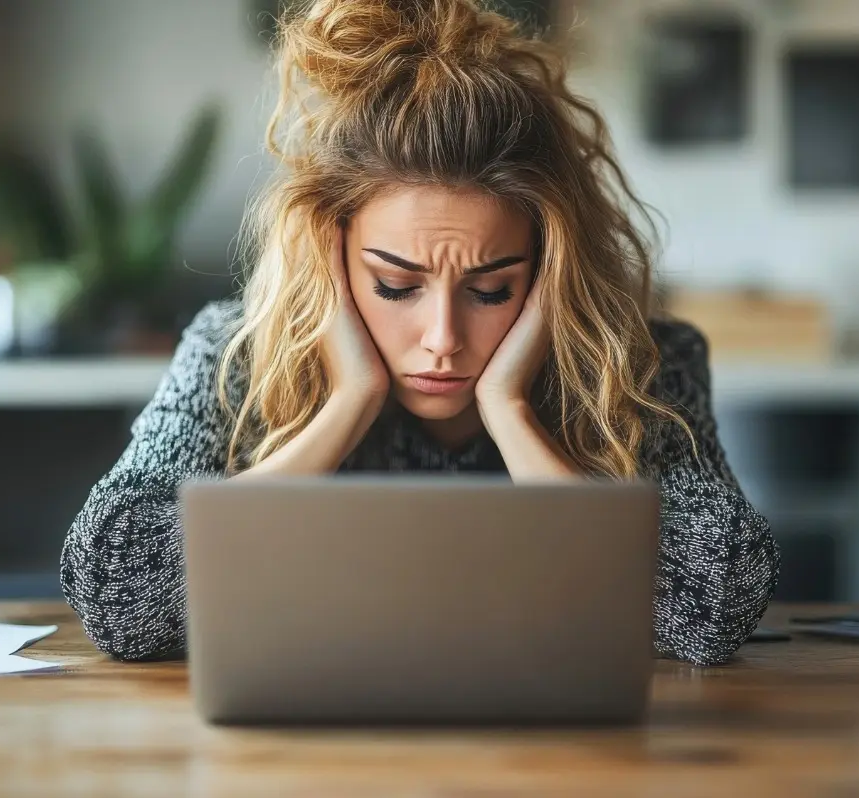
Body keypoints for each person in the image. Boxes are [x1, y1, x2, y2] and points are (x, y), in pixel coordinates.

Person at [61, 0, 780, 666]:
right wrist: (346, 406)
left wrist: (513, 414)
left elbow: (718, 604)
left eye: (492, 289)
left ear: (551, 270)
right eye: (397, 286)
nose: (442, 337)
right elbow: (117, 594)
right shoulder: (234, 352)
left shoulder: (645, 364)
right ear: (329, 255)